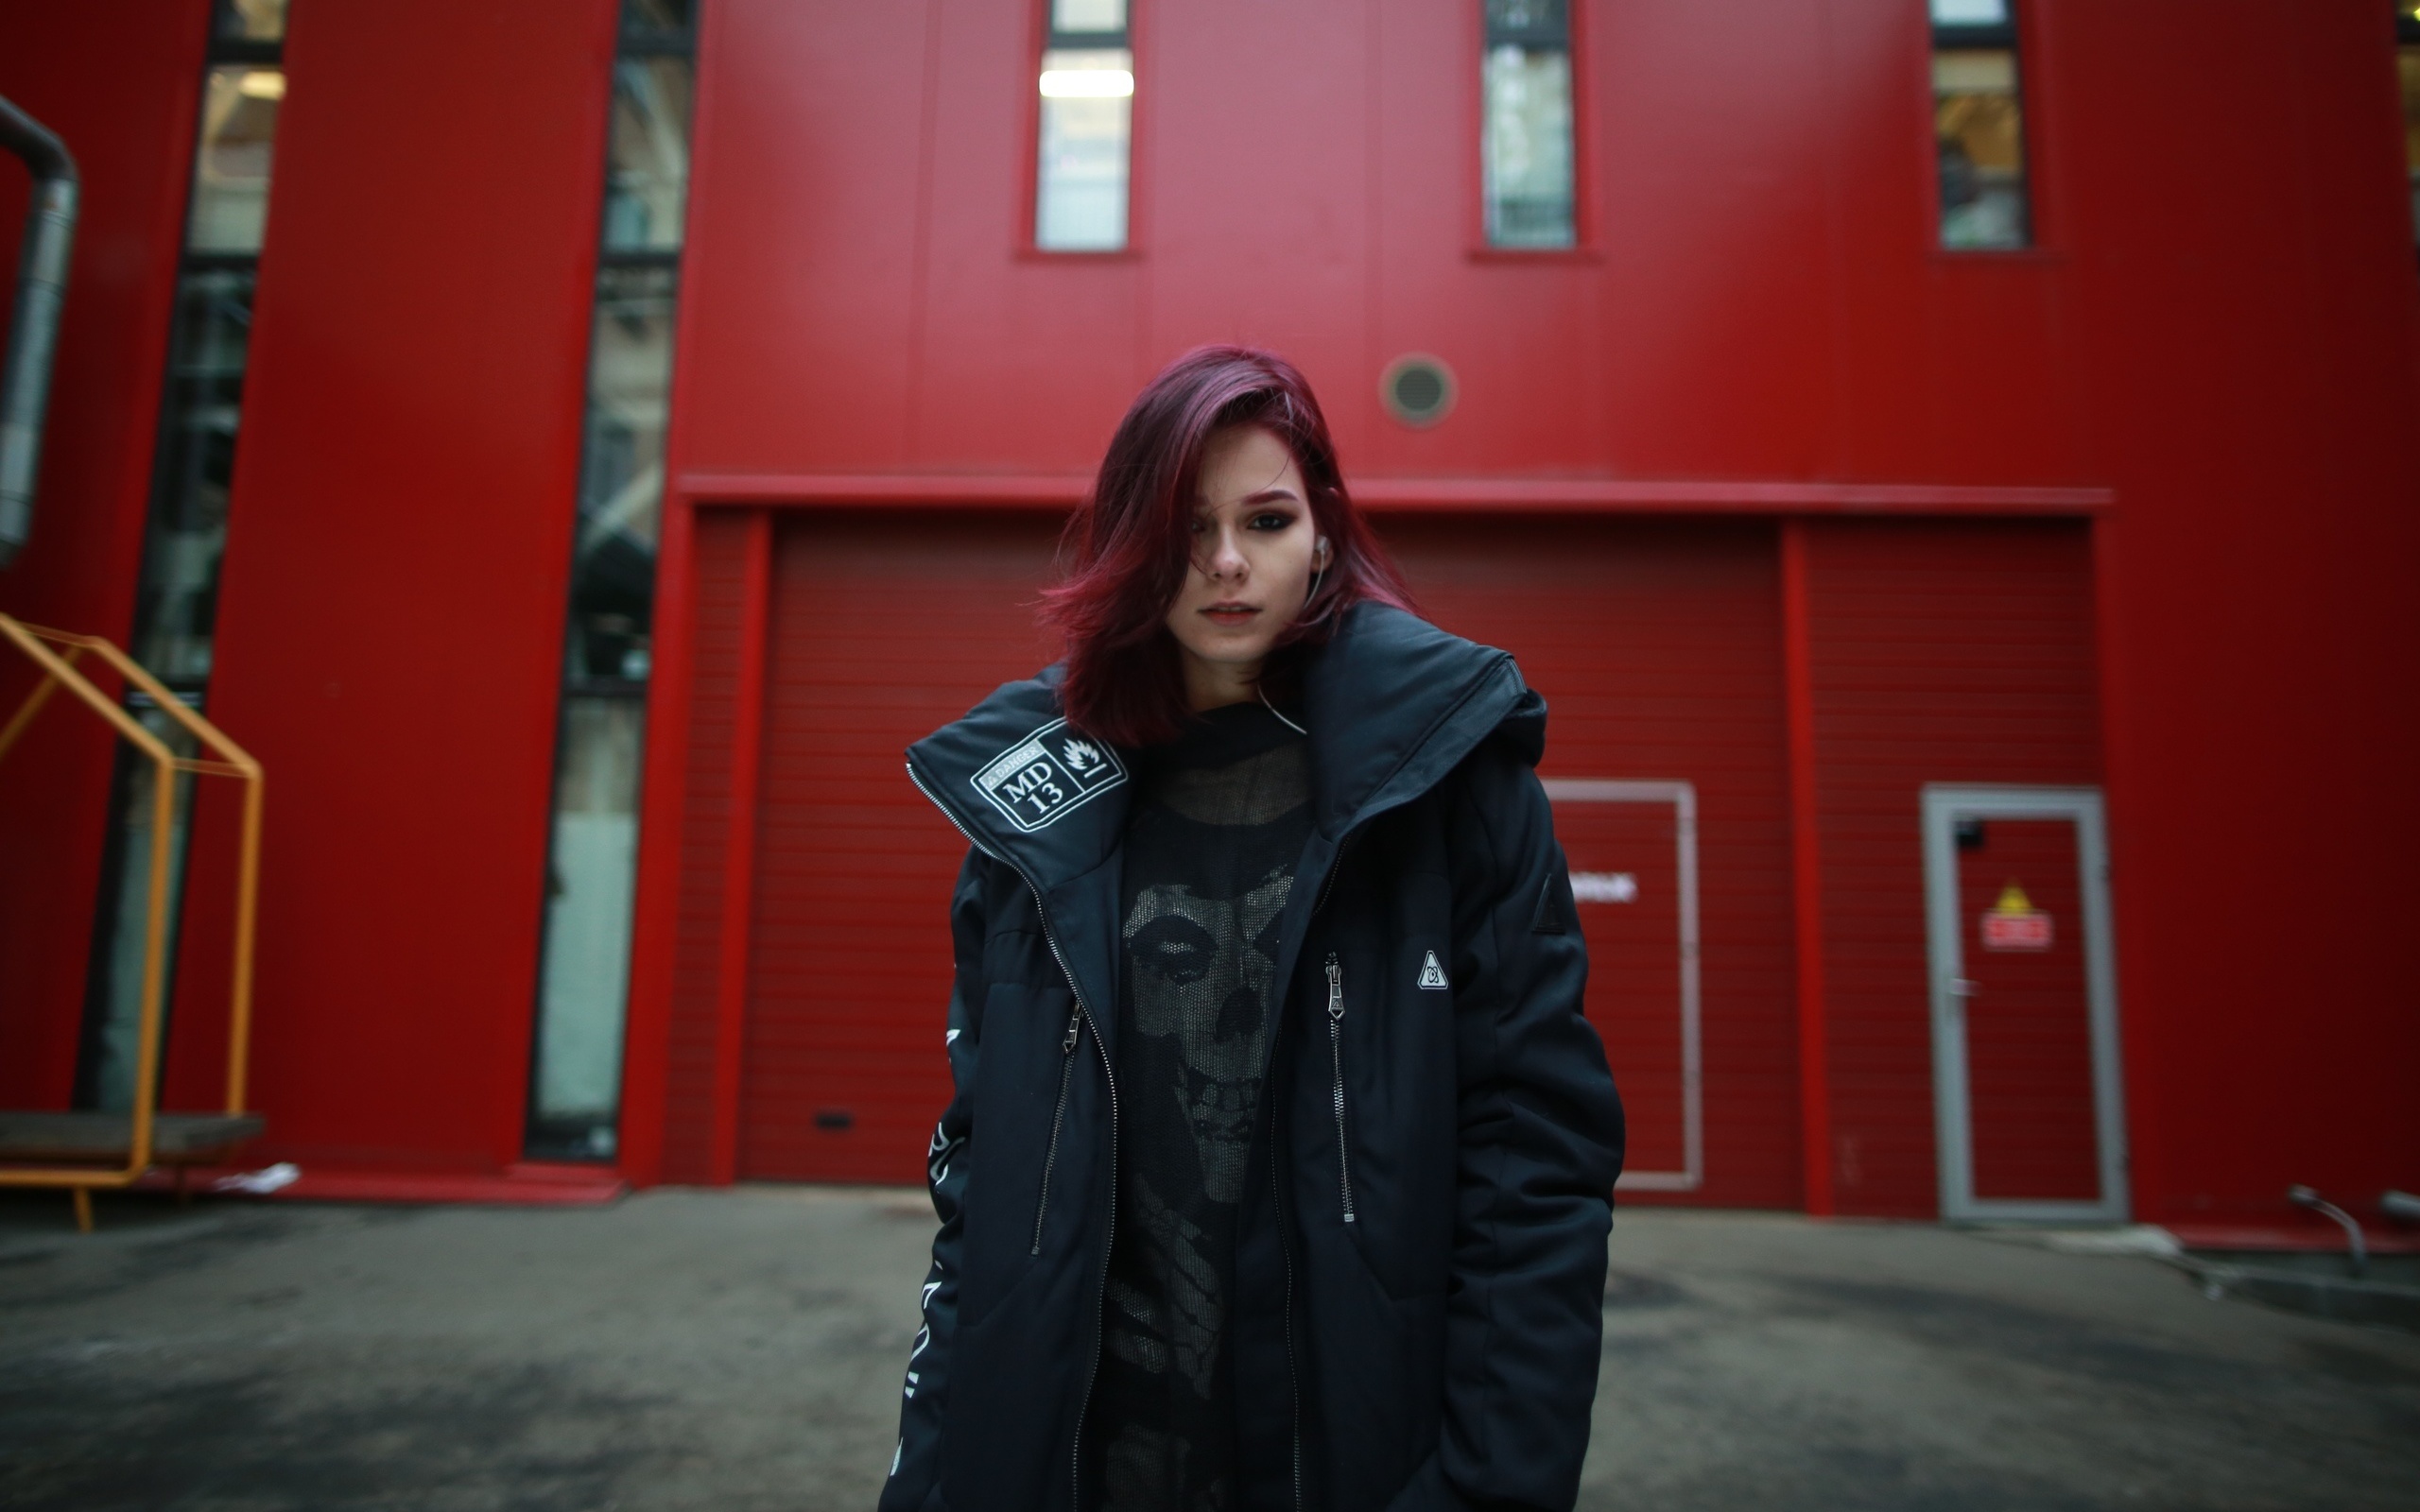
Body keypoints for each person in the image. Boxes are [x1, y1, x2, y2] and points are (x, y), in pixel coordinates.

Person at [886, 346, 1623, 1512]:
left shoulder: (1449, 787)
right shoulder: (1035, 809)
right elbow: (979, 1190)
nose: (1225, 564)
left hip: (1348, 1460)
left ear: (1323, 532)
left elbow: (1535, 1170)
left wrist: (1491, 1485)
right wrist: (932, 1476)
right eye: (1185, 528)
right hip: (1084, 1462)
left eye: (1266, 519)